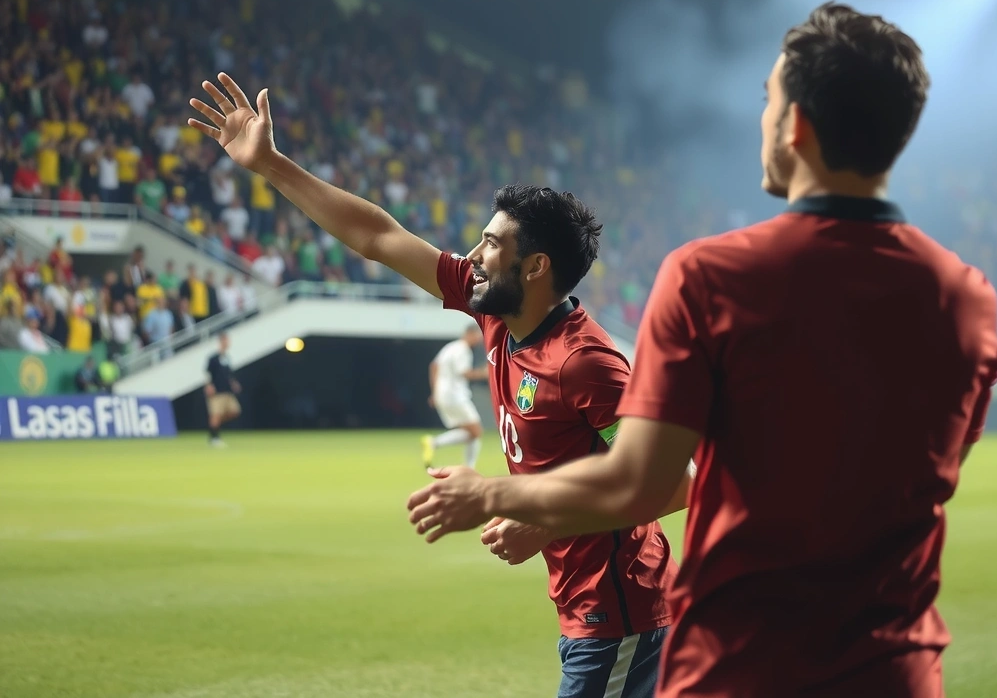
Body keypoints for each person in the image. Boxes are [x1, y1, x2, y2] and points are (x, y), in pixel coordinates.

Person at [407, 4, 997, 698]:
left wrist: (492, 493)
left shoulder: (710, 279)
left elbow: (640, 481)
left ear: (796, 125)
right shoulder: (966, 299)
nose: (762, 119)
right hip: (895, 671)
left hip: (746, 662)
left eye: (768, 101)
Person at [188, 74, 688, 697]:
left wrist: (547, 521)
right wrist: (270, 164)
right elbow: (379, 236)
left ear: (536, 267)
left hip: (622, 614)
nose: (473, 256)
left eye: (491, 243)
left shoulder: (586, 363)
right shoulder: (495, 312)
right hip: (589, 611)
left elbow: (674, 481)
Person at [421, 325, 487, 469]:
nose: (479, 340)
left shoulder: (450, 347)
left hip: (443, 395)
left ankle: (469, 467)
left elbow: (434, 366)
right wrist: (485, 373)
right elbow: (465, 373)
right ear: (470, 333)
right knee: (476, 431)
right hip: (456, 396)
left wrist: (435, 391)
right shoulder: (463, 350)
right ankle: (434, 443)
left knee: (470, 432)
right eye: (478, 336)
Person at [205, 332, 242, 447]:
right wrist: (209, 386)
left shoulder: (227, 358)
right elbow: (208, 373)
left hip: (227, 391)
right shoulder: (214, 358)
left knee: (235, 411)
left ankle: (214, 426)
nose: (227, 343)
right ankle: (214, 438)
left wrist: (234, 383)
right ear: (221, 342)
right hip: (217, 391)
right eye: (225, 340)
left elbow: (228, 374)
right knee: (215, 414)